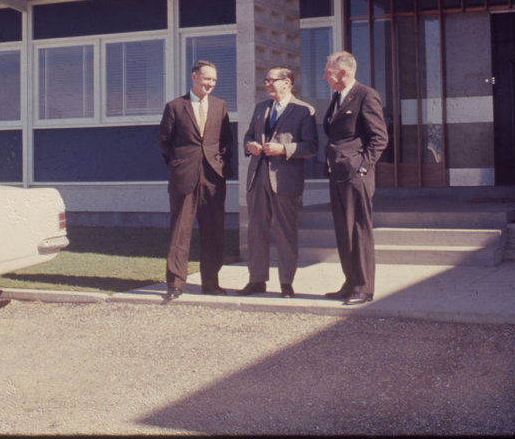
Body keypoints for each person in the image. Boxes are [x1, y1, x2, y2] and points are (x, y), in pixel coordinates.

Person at [239, 67, 318, 299]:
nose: (267, 84)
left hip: (285, 180)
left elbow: (311, 146)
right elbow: (248, 135)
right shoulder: (261, 108)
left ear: (287, 83)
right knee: (256, 231)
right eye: (266, 80)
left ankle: (286, 283)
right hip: (257, 177)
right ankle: (256, 280)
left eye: (271, 80)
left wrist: (283, 149)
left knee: (286, 232)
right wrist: (250, 145)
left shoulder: (304, 111)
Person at [158, 60, 233, 300]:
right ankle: (175, 284)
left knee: (214, 231)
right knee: (180, 232)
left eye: (214, 80)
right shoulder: (174, 106)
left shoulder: (220, 106)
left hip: (213, 178)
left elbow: (226, 141)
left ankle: (210, 283)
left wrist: (220, 165)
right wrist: (179, 164)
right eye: (207, 78)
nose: (211, 83)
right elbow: (164, 141)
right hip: (184, 176)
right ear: (194, 77)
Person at [321, 51, 389, 305]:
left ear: (344, 72)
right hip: (337, 173)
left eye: (328, 72)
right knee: (343, 230)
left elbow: (379, 138)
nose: (325, 77)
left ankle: (363, 287)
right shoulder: (337, 97)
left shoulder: (365, 95)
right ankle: (350, 283)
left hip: (355, 174)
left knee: (359, 230)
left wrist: (363, 167)